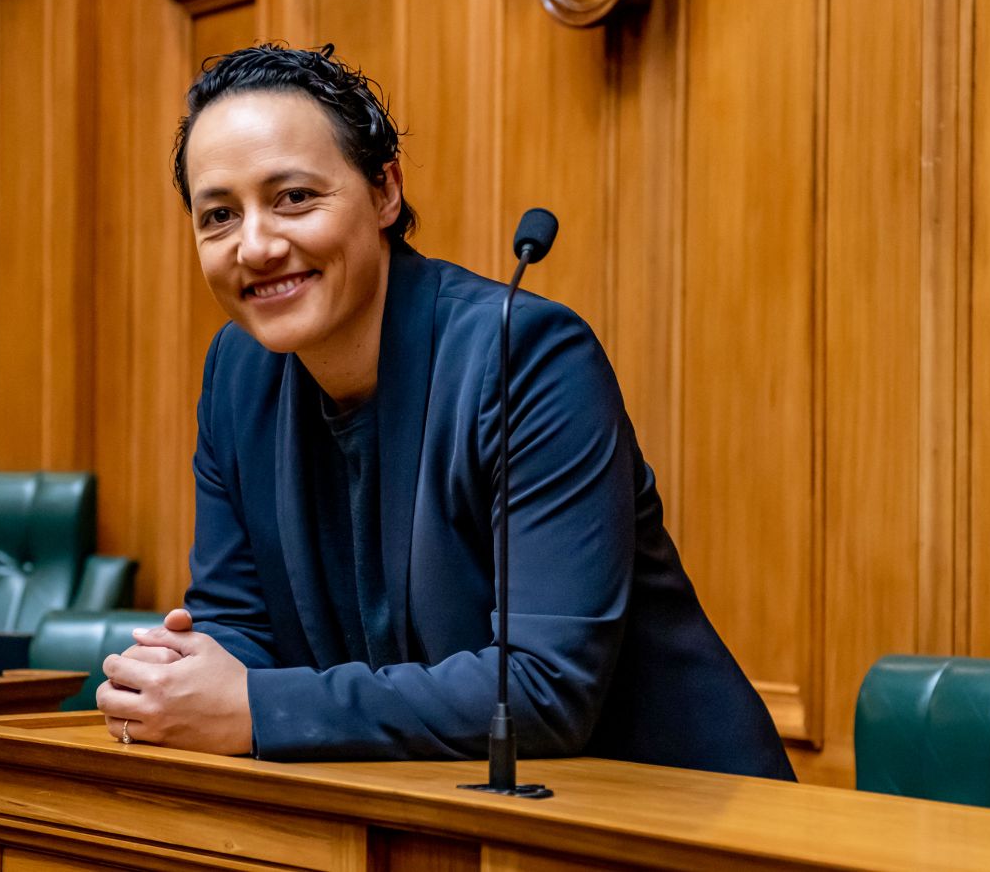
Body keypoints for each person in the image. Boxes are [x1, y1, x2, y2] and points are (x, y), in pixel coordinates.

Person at [95, 43, 794, 780]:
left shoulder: (525, 355)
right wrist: (171, 683)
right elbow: (240, 630)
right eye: (219, 216)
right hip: (429, 808)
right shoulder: (237, 374)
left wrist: (257, 708)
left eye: (294, 197)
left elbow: (541, 690)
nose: (257, 244)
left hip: (665, 814)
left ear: (385, 192)